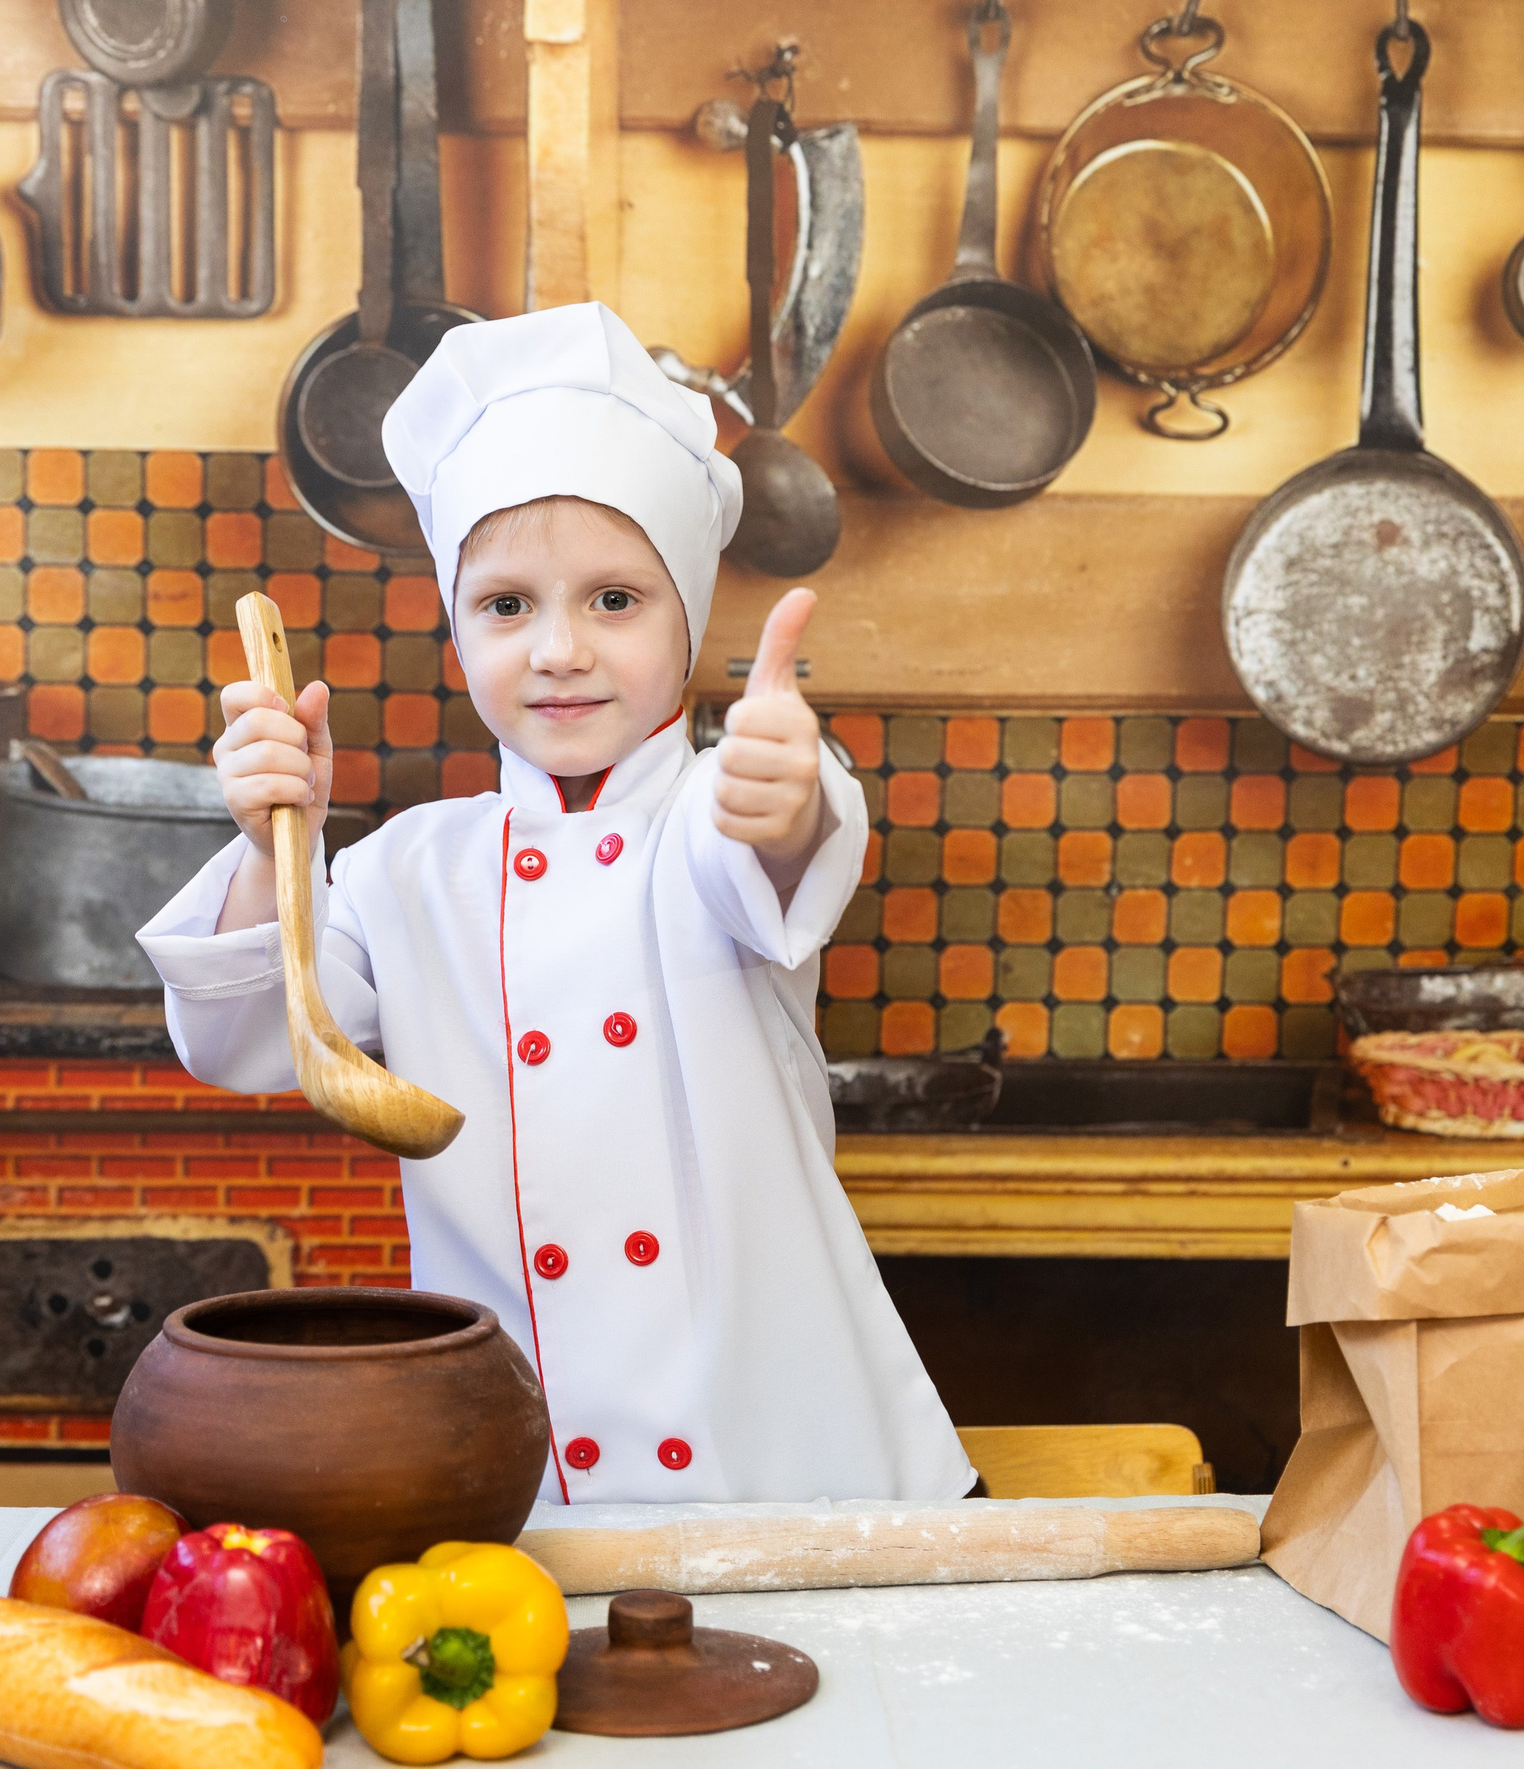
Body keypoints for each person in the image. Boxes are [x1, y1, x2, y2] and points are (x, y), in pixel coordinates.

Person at [139, 301, 972, 1504]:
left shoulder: (707, 818)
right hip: (523, 1463)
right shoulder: (403, 870)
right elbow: (253, 1040)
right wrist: (281, 838)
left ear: (691, 615)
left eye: (615, 600)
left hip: (781, 1463)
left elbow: (780, 858)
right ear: (458, 628)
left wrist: (786, 789)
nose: (559, 649)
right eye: (507, 605)